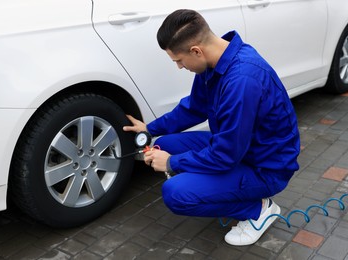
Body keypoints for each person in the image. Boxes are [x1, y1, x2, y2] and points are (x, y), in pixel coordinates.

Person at [123, 9, 300, 246]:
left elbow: (225, 155)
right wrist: (150, 128)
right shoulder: (215, 62)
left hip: (265, 167)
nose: (179, 66)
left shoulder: (241, 80)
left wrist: (171, 163)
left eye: (178, 60)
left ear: (196, 50)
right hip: (240, 148)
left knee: (175, 194)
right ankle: (222, 189)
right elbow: (193, 108)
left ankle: (258, 210)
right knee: (164, 144)